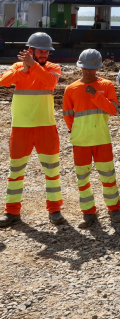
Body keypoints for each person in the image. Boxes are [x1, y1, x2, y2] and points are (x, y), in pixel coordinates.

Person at [0, 33, 62, 228]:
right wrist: (24, 70)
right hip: (21, 127)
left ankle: (55, 210)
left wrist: (32, 67)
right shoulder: (19, 67)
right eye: (41, 51)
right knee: (16, 171)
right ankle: (11, 211)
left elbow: (50, 82)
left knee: (52, 171)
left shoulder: (53, 68)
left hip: (46, 126)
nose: (44, 55)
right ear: (31, 51)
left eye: (46, 52)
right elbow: (3, 81)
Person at [62, 49, 120, 228]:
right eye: (86, 68)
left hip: (101, 139)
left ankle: (114, 209)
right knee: (82, 179)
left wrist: (95, 95)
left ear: (98, 68)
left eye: (92, 69)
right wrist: (78, 131)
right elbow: (68, 116)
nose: (89, 72)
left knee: (108, 176)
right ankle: (88, 213)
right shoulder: (70, 89)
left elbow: (113, 110)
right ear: (80, 67)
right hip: (81, 141)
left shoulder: (107, 85)